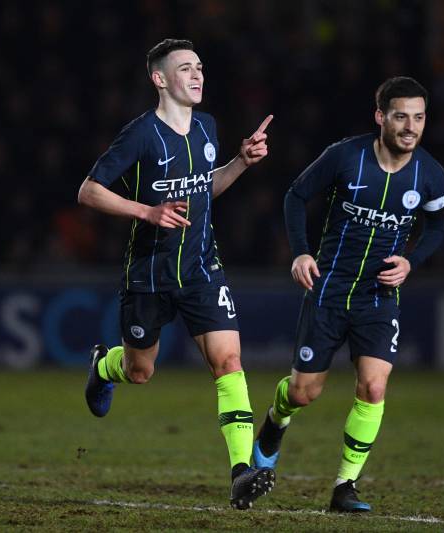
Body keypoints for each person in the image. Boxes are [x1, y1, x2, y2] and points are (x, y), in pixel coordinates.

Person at [78, 38, 275, 510]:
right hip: (150, 274)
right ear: (160, 79)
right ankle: (104, 367)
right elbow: (89, 191)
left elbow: (205, 188)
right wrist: (146, 211)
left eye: (200, 67)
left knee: (229, 362)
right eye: (186, 68)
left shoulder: (208, 127)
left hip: (203, 268)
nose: (197, 74)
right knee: (140, 370)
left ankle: (241, 472)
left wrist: (240, 163)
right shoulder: (140, 134)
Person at [253, 76, 444, 512]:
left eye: (419, 118)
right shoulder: (345, 156)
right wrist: (301, 252)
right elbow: (295, 196)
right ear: (380, 117)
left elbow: (437, 226)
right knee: (303, 393)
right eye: (401, 116)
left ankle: (346, 486)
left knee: (374, 387)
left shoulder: (431, 175)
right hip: (328, 290)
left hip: (378, 297)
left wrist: (411, 261)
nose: (411, 127)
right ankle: (275, 423)